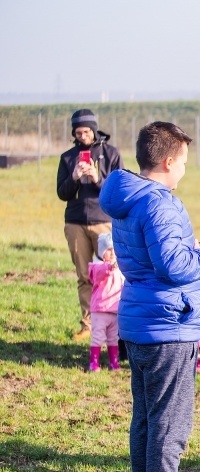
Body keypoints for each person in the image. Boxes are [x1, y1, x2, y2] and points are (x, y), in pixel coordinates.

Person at [99, 121, 200, 472]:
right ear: (168, 161)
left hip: (139, 320)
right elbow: (173, 266)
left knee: (148, 419)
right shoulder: (160, 203)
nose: (185, 169)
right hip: (168, 325)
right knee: (170, 422)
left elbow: (150, 259)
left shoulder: (128, 199)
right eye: (184, 161)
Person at [56, 109, 123, 340]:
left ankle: (115, 325)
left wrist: (97, 179)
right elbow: (62, 194)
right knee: (84, 276)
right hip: (75, 223)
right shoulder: (67, 158)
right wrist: (73, 177)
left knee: (111, 273)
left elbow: (118, 191)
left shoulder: (111, 154)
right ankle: (88, 325)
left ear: (93, 130)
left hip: (104, 222)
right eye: (78, 132)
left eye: (86, 131)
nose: (83, 135)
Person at [87, 232, 124, 372]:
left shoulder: (119, 269)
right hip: (100, 310)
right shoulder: (97, 266)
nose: (112, 252)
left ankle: (114, 362)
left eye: (114, 249)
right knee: (97, 337)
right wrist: (109, 267)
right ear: (102, 252)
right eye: (109, 249)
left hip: (115, 310)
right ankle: (93, 362)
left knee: (113, 338)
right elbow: (98, 274)